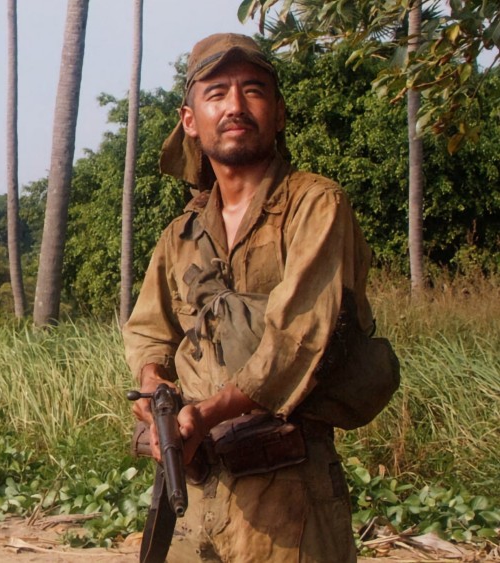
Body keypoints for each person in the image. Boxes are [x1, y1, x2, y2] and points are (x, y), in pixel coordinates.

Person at [124, 34, 375, 562]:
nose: (235, 106)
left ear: (279, 113)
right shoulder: (180, 235)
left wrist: (208, 413)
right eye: (216, 93)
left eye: (253, 91)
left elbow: (301, 338)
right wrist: (155, 392)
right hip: (195, 490)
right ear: (191, 120)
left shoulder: (315, 204)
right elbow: (149, 330)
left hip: (289, 495)